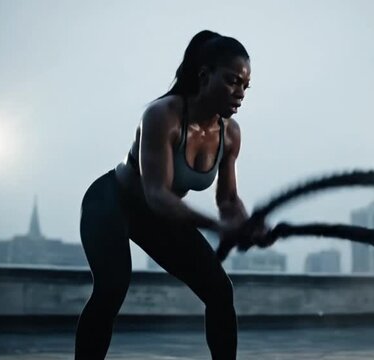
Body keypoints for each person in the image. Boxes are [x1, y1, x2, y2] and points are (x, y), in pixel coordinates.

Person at [75, 30, 265, 360]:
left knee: (220, 291)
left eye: (245, 86)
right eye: (233, 81)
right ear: (205, 76)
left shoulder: (230, 134)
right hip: (110, 203)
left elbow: (228, 201)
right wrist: (220, 228)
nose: (240, 93)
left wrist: (247, 225)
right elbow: (158, 195)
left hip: (157, 215)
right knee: (112, 288)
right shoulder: (162, 116)